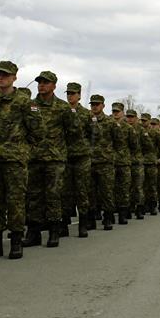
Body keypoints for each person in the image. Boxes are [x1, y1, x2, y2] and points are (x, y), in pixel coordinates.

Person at [0, 61, 42, 259]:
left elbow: (38, 131)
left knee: (15, 200)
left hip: (15, 160)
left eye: (6, 75)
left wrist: (22, 150)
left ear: (14, 77)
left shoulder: (25, 102)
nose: (1, 78)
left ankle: (16, 241)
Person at [23, 71, 74, 248]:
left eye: (45, 82)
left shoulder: (62, 107)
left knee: (53, 195)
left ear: (53, 85)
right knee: (33, 196)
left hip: (54, 158)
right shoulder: (29, 105)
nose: (41, 85)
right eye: (39, 82)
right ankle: (34, 232)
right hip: (34, 158)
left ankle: (54, 230)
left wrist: (61, 150)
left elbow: (72, 132)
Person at [62, 82, 92, 236]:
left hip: (81, 157)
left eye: (73, 93)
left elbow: (94, 134)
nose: (70, 96)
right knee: (65, 191)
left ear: (79, 95)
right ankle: (64, 224)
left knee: (82, 191)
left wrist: (85, 147)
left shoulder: (86, 114)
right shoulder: (62, 111)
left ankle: (83, 224)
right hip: (66, 156)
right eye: (68, 93)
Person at [87, 95, 118, 230]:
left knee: (106, 192)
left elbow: (118, 142)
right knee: (90, 193)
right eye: (92, 104)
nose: (94, 106)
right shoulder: (86, 119)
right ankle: (92, 218)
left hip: (105, 163)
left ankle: (108, 217)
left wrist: (111, 157)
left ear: (103, 106)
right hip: (89, 161)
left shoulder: (110, 122)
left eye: (97, 104)